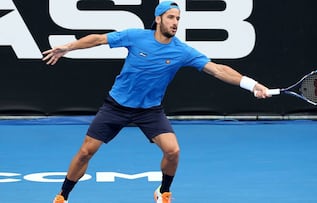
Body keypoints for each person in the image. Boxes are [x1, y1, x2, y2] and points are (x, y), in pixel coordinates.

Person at [42, 1, 270, 203]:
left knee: (173, 151)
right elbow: (99, 39)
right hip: (116, 106)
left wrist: (252, 85)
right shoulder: (136, 36)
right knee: (85, 152)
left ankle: (163, 192)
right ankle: (63, 196)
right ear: (158, 19)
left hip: (150, 111)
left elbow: (218, 70)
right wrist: (67, 47)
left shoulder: (182, 50)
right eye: (171, 17)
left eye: (178, 18)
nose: (175, 22)